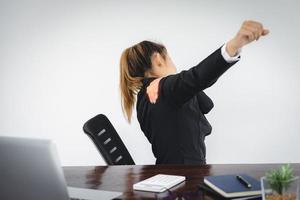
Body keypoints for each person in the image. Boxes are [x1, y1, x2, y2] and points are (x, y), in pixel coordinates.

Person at [119, 20, 269, 165]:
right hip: (185, 175)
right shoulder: (164, 89)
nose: (173, 62)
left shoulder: (149, 94)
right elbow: (197, 77)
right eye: (169, 57)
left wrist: (166, 80)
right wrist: (234, 45)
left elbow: (207, 105)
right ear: (158, 59)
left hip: (175, 173)